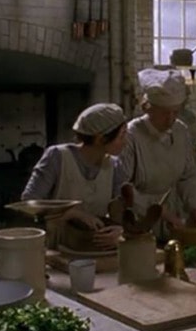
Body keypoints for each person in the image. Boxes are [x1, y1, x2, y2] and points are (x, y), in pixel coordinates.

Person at [118, 68, 196, 241]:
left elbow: (188, 177)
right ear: (148, 108)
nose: (170, 119)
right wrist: (158, 211)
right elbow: (122, 189)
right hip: (139, 223)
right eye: (163, 113)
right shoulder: (131, 136)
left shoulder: (180, 131)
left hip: (174, 221)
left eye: (175, 112)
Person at [21, 103, 126, 250]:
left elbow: (119, 213)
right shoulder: (57, 157)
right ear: (100, 139)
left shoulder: (114, 166)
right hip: (57, 249)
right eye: (121, 136)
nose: (125, 142)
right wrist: (73, 213)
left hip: (94, 249)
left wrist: (120, 231)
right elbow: (28, 203)